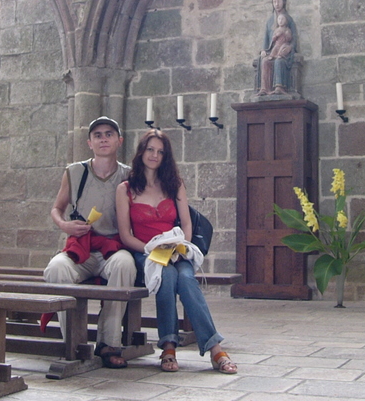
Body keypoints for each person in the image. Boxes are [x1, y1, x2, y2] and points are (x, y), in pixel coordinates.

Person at [115, 129, 237, 374]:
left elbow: (187, 223)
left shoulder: (174, 184)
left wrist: (181, 248)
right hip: (144, 252)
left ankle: (214, 348)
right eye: (150, 149)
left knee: (185, 276)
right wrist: (151, 249)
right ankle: (169, 346)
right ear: (141, 152)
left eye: (160, 151)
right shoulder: (125, 189)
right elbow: (126, 235)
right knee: (167, 276)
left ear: (165, 157)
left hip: (175, 249)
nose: (154, 155)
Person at [44, 116, 136, 369]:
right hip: (81, 248)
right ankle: (74, 343)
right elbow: (56, 208)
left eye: (109, 134)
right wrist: (64, 225)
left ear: (119, 140)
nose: (103, 138)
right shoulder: (75, 171)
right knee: (55, 268)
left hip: (112, 248)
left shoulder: (129, 175)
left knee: (124, 265)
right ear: (89, 142)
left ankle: (109, 343)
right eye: (98, 135)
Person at [258, 0, 298, 95]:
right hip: (273, 49)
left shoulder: (289, 19)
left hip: (284, 49)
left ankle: (279, 87)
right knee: (265, 61)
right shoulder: (270, 21)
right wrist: (263, 50)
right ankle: (264, 89)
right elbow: (266, 37)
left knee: (278, 61)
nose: (276, 4)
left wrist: (291, 47)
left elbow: (294, 36)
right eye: (274, 2)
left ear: (283, 3)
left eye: (278, 1)